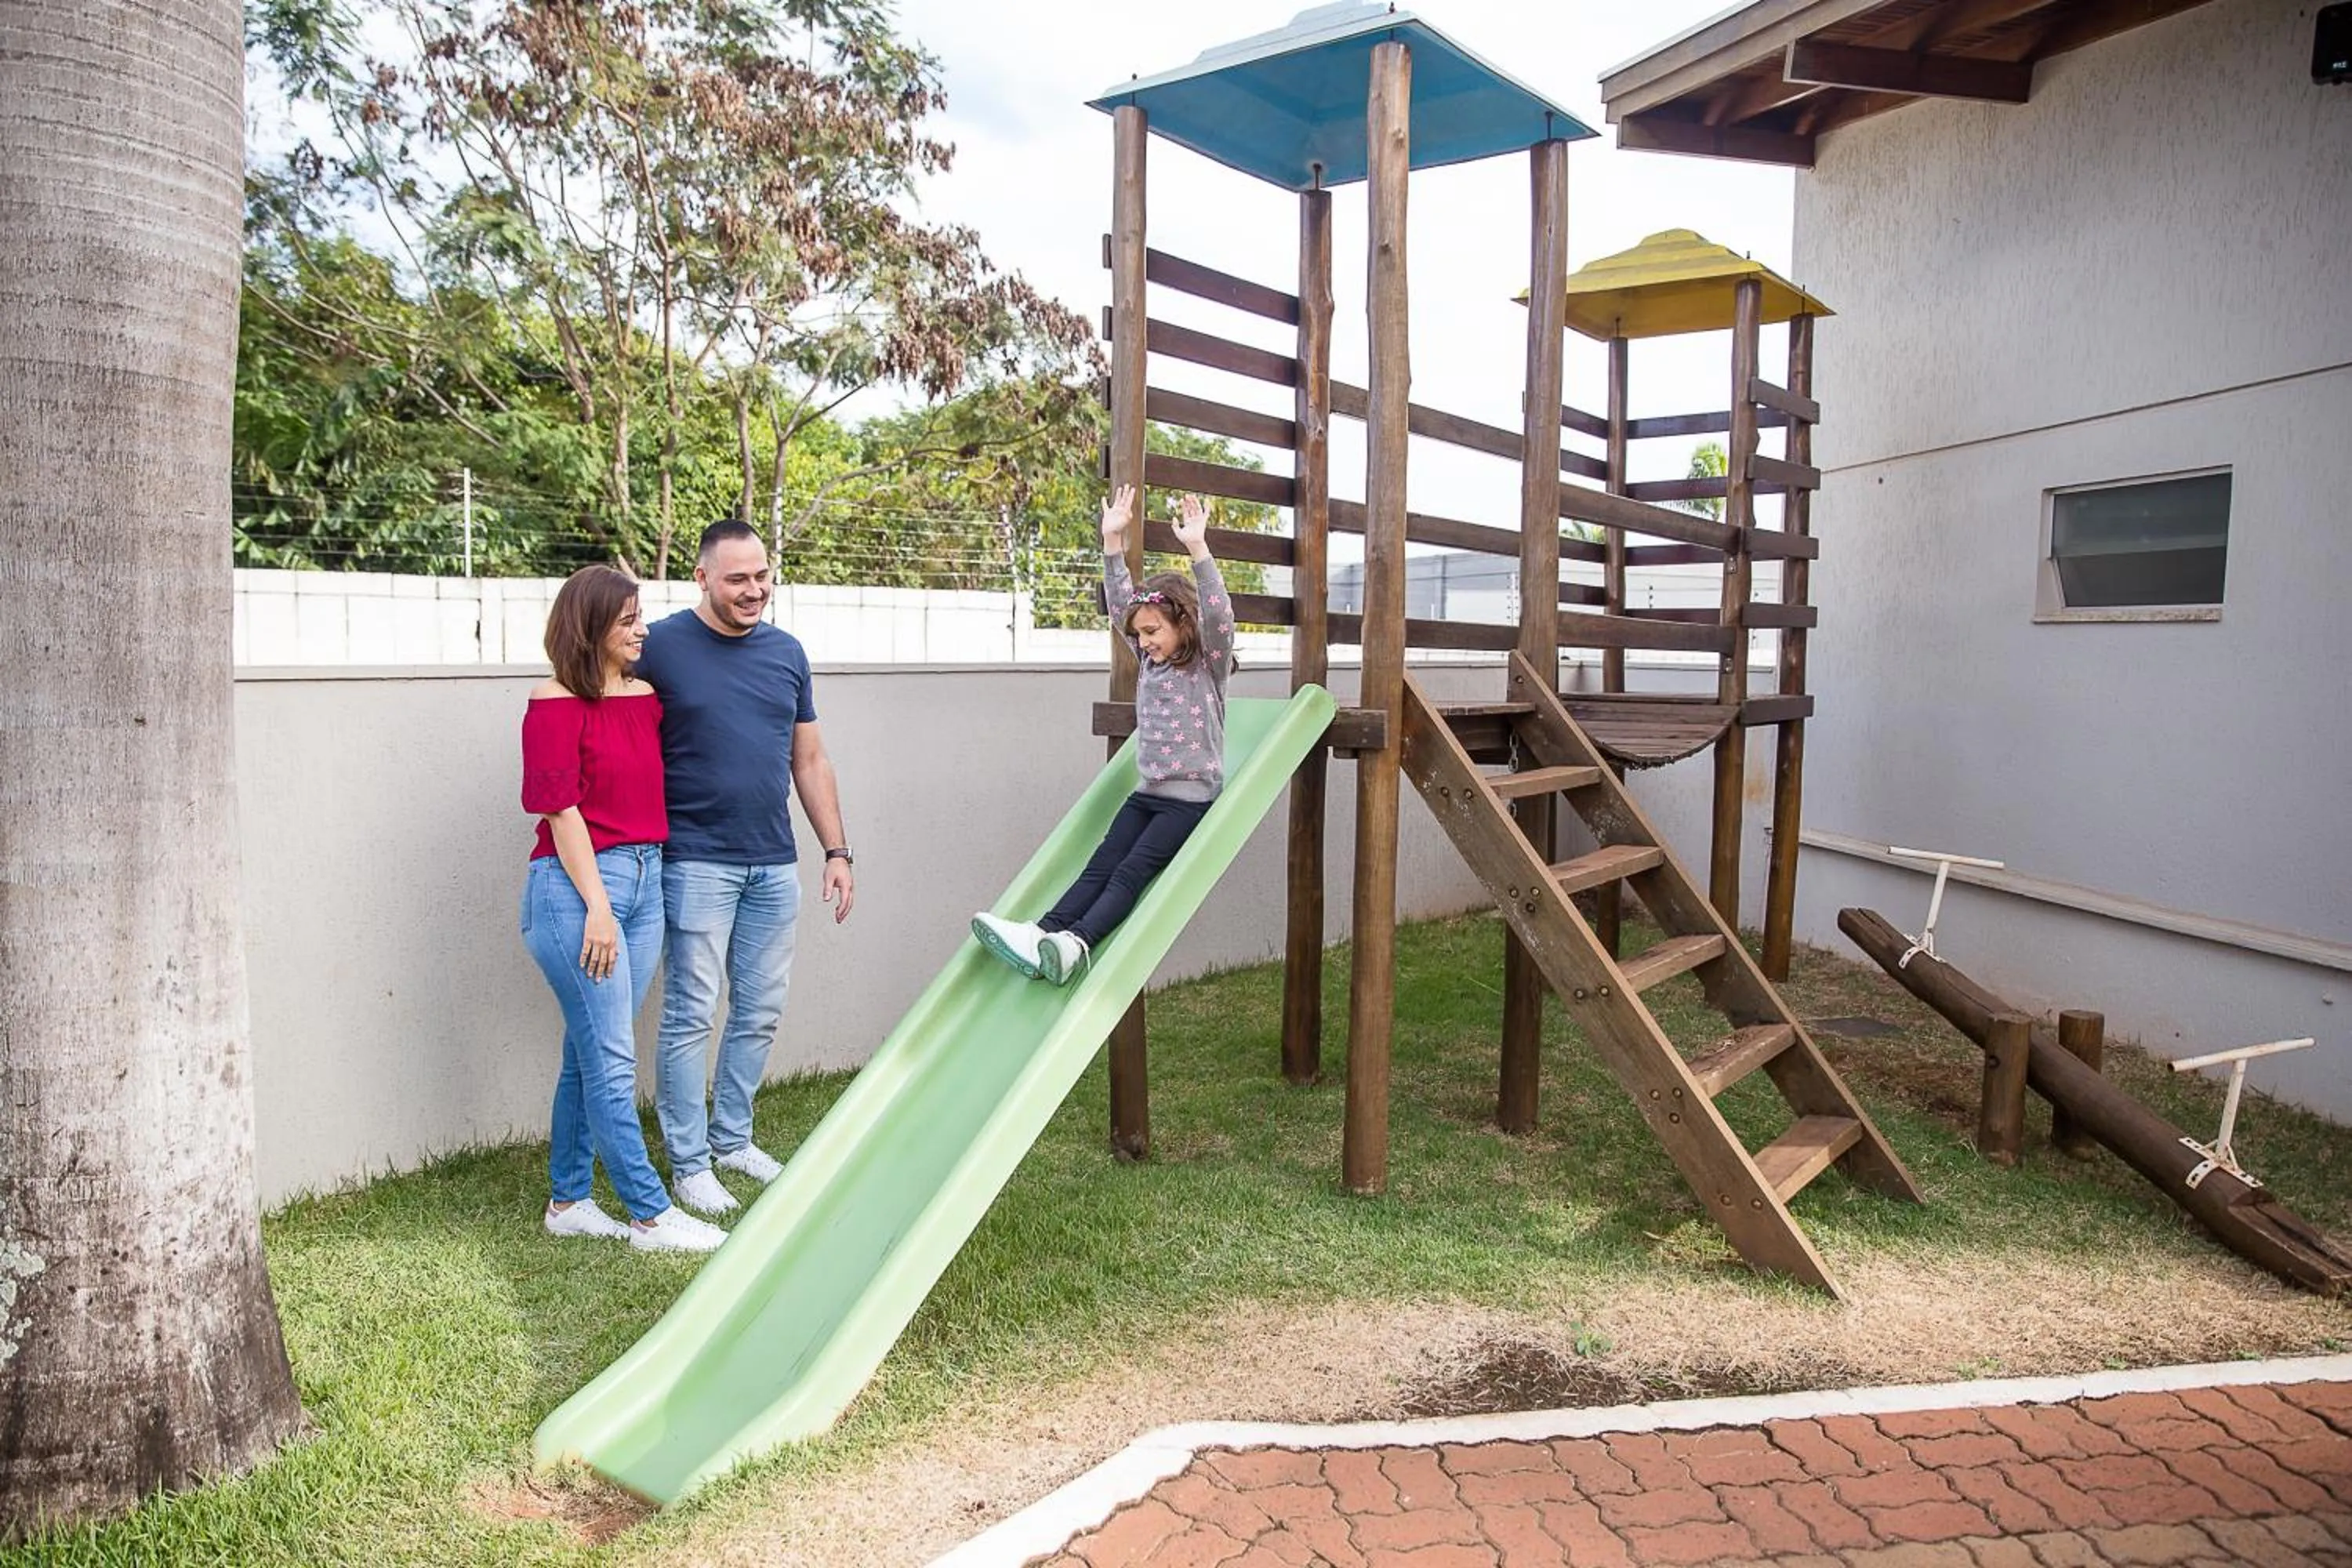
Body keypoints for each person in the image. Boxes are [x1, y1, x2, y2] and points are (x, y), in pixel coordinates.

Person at [634, 519, 856, 1218]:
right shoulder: (661, 647)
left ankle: (732, 1141)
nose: (755, 590)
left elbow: (809, 760)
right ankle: (689, 1164)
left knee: (758, 1010)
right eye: (738, 579)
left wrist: (838, 850)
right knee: (691, 1014)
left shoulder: (787, 653)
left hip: (772, 861)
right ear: (702, 578)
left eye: (762, 576)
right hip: (694, 860)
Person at [521, 567, 726, 1253]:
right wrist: (599, 909)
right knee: (612, 1059)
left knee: (587, 1057)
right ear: (591, 627)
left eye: (641, 617)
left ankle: (569, 1201)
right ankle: (649, 1213)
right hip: (579, 891)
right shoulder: (552, 703)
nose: (643, 631)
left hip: (646, 877)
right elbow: (560, 807)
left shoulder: (644, 697)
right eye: (628, 621)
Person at [972, 485, 1235, 985]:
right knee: (1100, 866)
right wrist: (1111, 543)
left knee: (1129, 873)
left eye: (1154, 630)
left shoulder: (1206, 665)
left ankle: (1077, 944)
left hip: (1188, 801)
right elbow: (1120, 608)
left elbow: (1220, 616)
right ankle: (1042, 934)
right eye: (1140, 634)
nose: (1145, 641)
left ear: (1183, 622)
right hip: (1147, 794)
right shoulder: (1149, 662)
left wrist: (1198, 549)